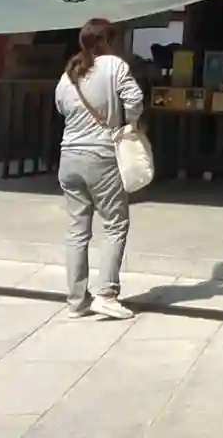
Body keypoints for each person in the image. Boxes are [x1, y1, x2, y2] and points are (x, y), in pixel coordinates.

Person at [55, 16, 148, 320]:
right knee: (115, 224)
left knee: (77, 230)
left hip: (69, 157)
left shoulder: (70, 72)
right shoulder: (114, 66)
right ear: (107, 41)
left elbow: (61, 107)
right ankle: (106, 294)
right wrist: (129, 125)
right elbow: (135, 99)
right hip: (101, 156)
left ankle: (76, 301)